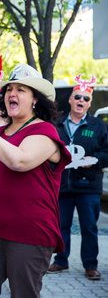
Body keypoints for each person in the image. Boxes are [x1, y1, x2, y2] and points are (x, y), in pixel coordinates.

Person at [0, 64, 71, 298]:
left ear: (35, 100)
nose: (12, 93)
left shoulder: (44, 131)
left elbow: (18, 161)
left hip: (29, 233)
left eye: (21, 89)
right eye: (9, 89)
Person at [48, 75, 108, 281]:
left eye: (86, 98)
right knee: (61, 225)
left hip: (88, 186)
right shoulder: (57, 124)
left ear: (90, 103)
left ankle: (90, 265)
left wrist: (95, 160)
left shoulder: (98, 126)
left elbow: (107, 153)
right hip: (62, 184)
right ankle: (61, 260)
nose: (81, 101)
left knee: (89, 227)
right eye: (78, 97)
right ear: (70, 100)